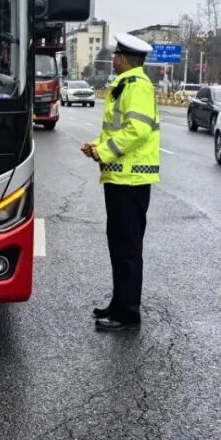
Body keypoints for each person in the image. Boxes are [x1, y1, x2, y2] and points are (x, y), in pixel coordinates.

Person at [81, 33, 160, 332]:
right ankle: (118, 303)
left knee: (127, 249)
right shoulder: (125, 84)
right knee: (119, 245)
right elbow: (117, 130)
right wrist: (97, 146)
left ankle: (127, 314)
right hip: (121, 177)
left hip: (131, 180)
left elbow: (137, 130)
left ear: (123, 59)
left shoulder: (136, 86)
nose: (113, 59)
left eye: (116, 55)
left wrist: (103, 151)